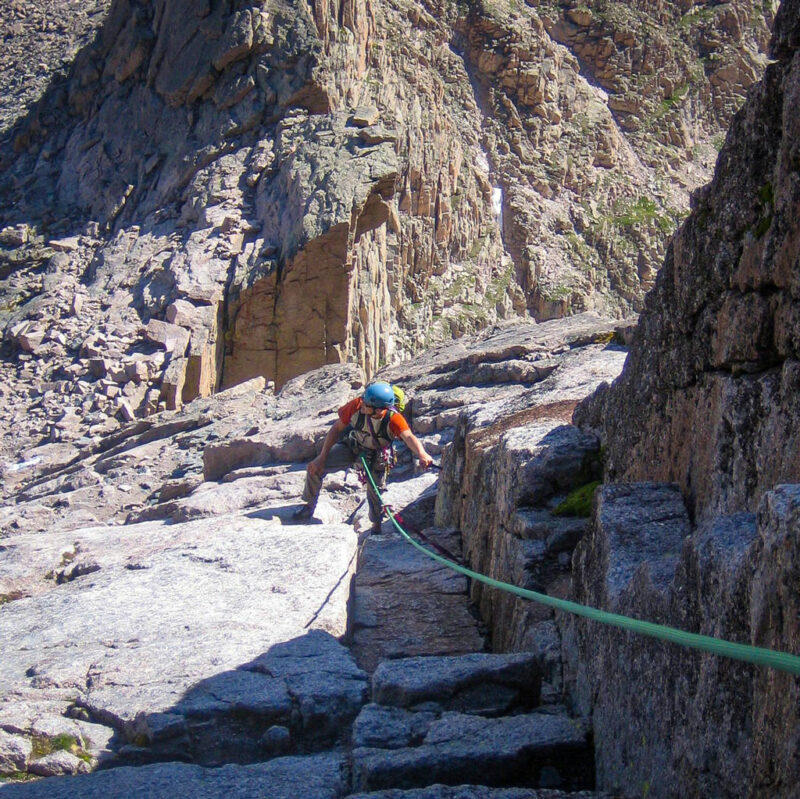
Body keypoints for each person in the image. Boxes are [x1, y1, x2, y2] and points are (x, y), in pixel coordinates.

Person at [292, 382, 434, 532]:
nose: (362, 405)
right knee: (315, 468)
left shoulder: (394, 419)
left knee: (375, 492)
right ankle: (308, 506)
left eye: (367, 405)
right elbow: (336, 429)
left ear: (379, 410)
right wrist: (322, 457)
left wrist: (422, 453)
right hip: (353, 446)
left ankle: (376, 525)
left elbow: (408, 436)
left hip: (377, 455)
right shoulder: (356, 406)